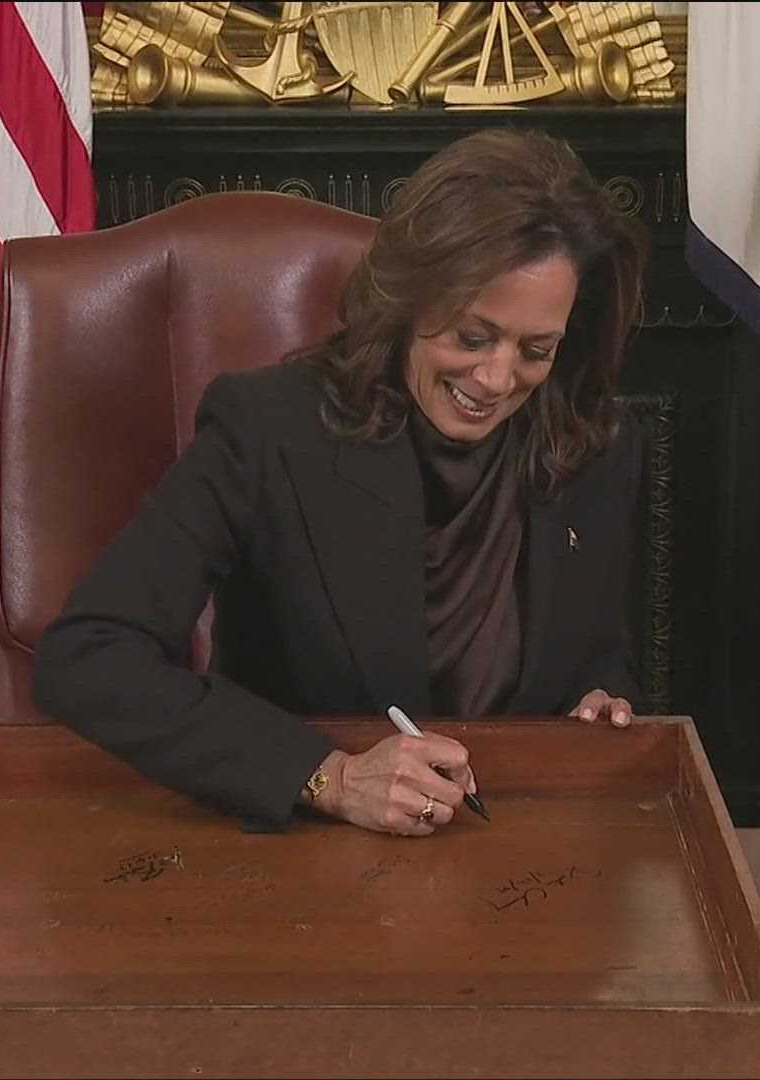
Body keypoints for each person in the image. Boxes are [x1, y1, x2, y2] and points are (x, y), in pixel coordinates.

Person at [35, 129, 651, 836]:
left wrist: (600, 700)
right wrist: (327, 776)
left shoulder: (591, 443)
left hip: (519, 846)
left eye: (535, 350)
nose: (496, 379)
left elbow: (598, 651)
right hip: (315, 854)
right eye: (472, 338)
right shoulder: (269, 430)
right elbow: (86, 655)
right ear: (412, 301)